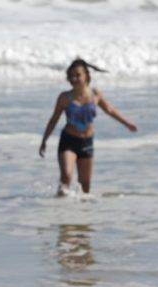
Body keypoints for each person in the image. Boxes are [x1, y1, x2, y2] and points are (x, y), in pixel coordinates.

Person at [39, 58, 138, 196]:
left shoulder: (95, 94)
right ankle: (60, 211)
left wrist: (127, 123)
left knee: (85, 187)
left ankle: (84, 216)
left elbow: (109, 110)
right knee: (66, 176)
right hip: (68, 141)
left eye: (78, 75)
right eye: (71, 75)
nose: (74, 78)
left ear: (86, 75)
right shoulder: (64, 97)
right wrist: (44, 140)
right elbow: (53, 120)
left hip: (87, 143)